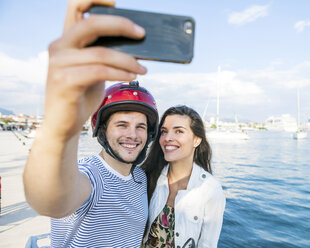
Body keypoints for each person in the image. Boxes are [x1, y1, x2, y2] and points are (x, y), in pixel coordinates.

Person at [23, 0, 158, 247]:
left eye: (141, 126)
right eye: (121, 124)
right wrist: (62, 122)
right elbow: (49, 200)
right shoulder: (90, 175)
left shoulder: (140, 176)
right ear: (102, 129)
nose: (133, 134)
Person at [142, 105, 226, 248]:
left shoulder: (210, 189)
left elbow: (208, 244)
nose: (168, 138)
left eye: (179, 131)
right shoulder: (148, 176)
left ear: (196, 140)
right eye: (164, 131)